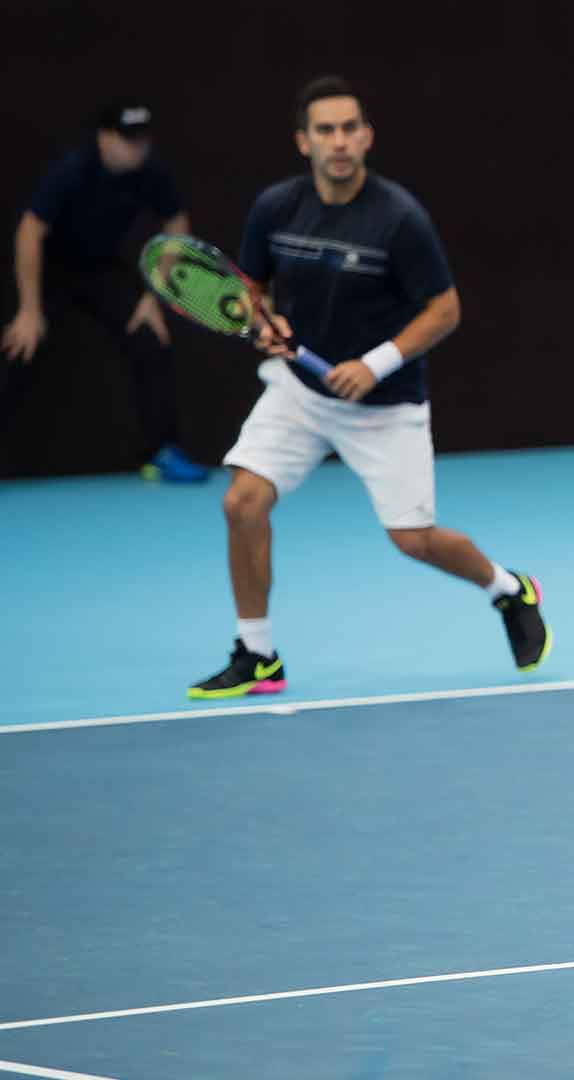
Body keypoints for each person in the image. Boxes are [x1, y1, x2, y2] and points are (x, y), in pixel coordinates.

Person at [187, 76, 550, 699]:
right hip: (299, 391)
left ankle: (508, 589)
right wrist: (261, 323)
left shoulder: (399, 218)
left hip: (384, 405)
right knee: (242, 501)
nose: (339, 141)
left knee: (414, 540)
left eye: (350, 128)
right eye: (325, 130)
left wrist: (374, 364)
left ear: (367, 137)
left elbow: (445, 309)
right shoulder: (276, 208)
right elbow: (250, 290)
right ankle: (258, 653)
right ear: (304, 142)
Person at [2, 99, 209, 482]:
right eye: (128, 140)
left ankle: (160, 453)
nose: (138, 148)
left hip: (102, 271)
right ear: (104, 138)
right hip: (49, 271)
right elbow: (30, 231)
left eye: (142, 140)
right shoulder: (72, 170)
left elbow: (177, 228)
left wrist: (153, 297)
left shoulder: (151, 173)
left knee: (150, 338)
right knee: (19, 345)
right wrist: (29, 310)